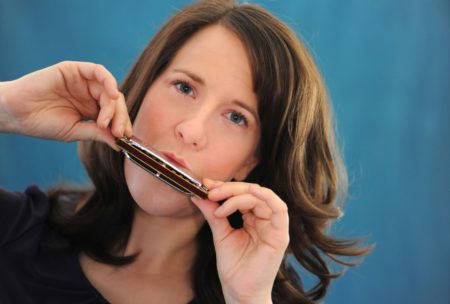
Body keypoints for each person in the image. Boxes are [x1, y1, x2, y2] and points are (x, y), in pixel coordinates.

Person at [0, 0, 370, 303]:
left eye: (236, 117)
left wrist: (246, 299)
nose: (190, 130)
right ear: (142, 90)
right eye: (184, 88)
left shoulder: (257, 297)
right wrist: (8, 107)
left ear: (251, 161)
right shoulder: (14, 229)